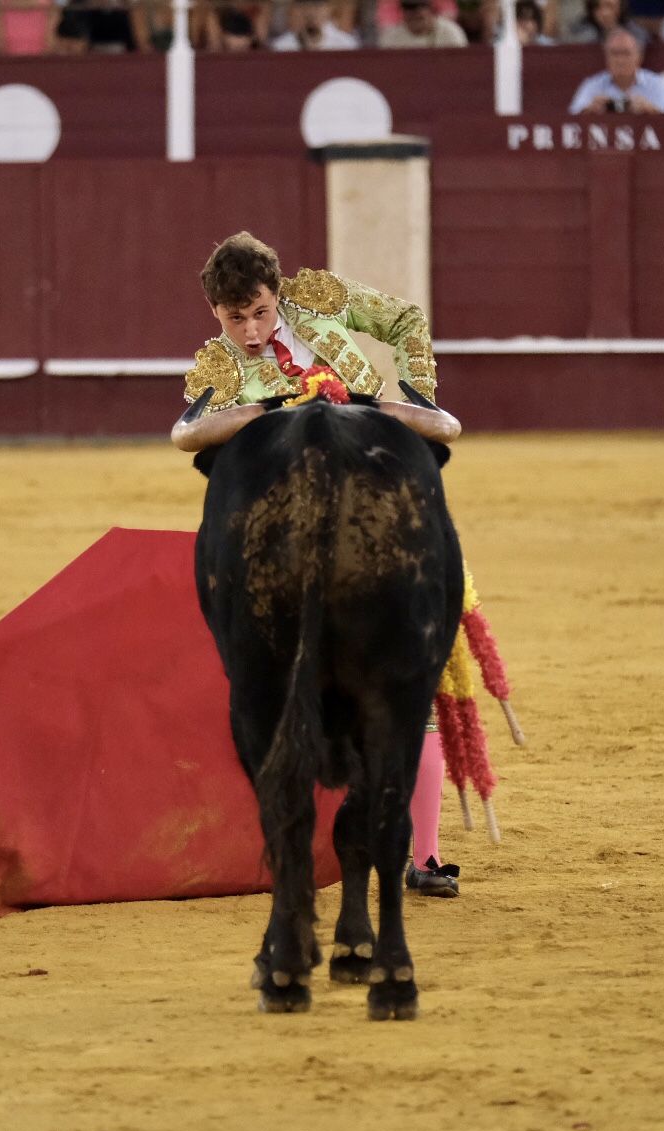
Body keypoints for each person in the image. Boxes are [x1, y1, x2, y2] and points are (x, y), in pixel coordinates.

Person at [172, 232, 471, 898]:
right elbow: (188, 434)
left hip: (374, 486)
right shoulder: (217, 369)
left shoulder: (321, 301)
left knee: (419, 679)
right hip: (284, 535)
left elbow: (405, 321)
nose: (250, 332)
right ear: (214, 313)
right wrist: (276, 408)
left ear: (277, 294)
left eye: (257, 312)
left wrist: (412, 399)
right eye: (232, 318)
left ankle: (424, 855)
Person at [568, 28, 664, 114]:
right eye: (615, 53)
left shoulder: (657, 84)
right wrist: (588, 111)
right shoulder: (592, 85)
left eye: (626, 53)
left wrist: (651, 110)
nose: (620, 60)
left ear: (639, 57)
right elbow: (570, 120)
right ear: (606, 57)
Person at [379, 0, 470, 46]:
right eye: (409, 8)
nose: (414, 13)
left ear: (431, 10)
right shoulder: (391, 38)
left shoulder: (450, 32)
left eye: (421, 7)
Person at [271, 0, 360, 47]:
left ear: (328, 9)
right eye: (305, 6)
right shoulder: (282, 45)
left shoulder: (346, 44)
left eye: (317, 6)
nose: (310, 12)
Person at [565, 0, 647, 42]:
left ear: (620, 7)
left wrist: (613, 31)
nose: (604, 13)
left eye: (609, 6)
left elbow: (640, 43)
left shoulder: (634, 31)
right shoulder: (581, 28)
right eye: (597, 7)